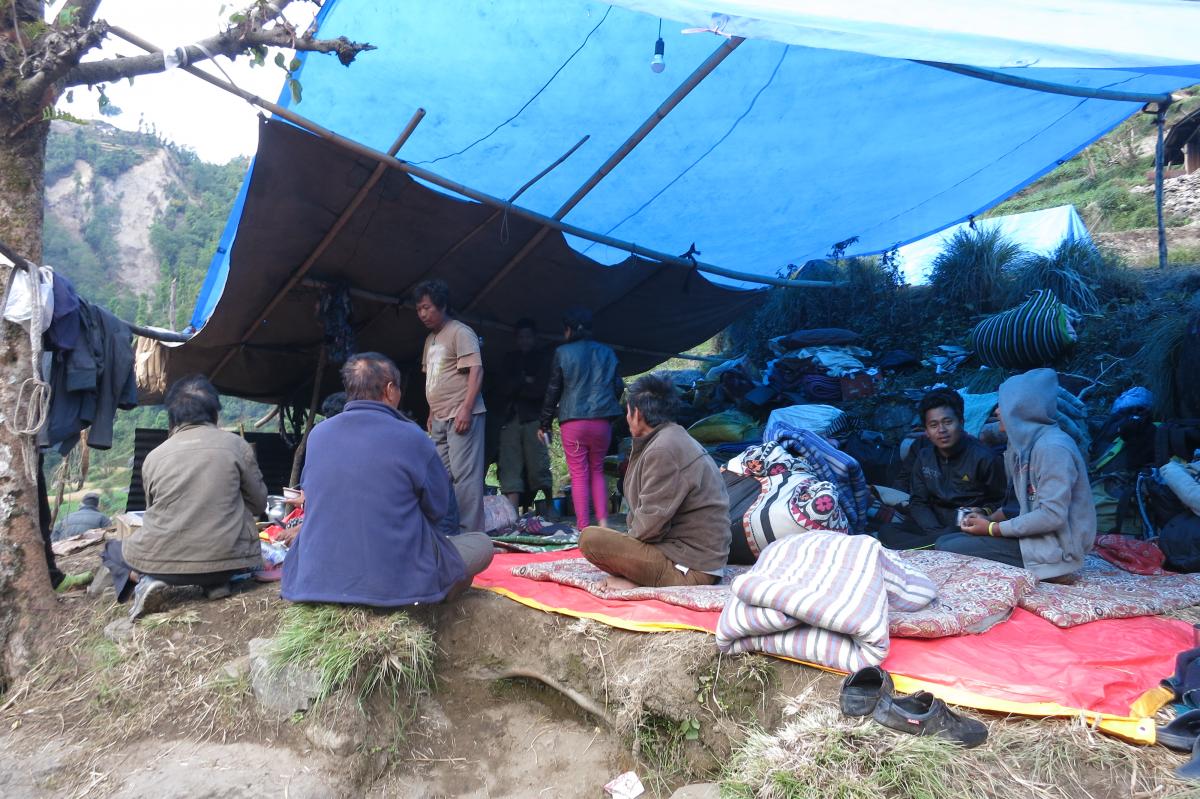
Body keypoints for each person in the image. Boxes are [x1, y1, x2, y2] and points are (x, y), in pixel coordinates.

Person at [282, 352, 493, 606]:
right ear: (390, 390)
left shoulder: (318, 435)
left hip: (314, 584)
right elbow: (437, 510)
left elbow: (311, 497)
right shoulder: (411, 435)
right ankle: (436, 601)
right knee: (482, 544)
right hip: (394, 582)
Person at [99, 375, 268, 620]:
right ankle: (215, 584)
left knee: (111, 550)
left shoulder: (154, 457)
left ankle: (144, 579)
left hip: (165, 567)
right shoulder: (236, 446)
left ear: (172, 418)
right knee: (218, 556)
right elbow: (259, 504)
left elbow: (154, 512)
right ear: (215, 414)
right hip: (230, 563)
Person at [578, 374, 731, 589]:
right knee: (612, 539)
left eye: (628, 412)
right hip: (691, 559)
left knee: (591, 539)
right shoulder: (670, 438)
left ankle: (638, 581)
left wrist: (626, 551)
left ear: (636, 413)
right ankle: (637, 577)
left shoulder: (664, 449)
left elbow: (649, 526)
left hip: (689, 569)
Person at [941, 369, 1096, 579]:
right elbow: (1016, 506)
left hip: (1055, 549)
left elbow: (1052, 516)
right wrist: (986, 519)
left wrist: (992, 529)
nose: (996, 411)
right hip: (1031, 538)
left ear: (1021, 409)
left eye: (1003, 405)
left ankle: (1055, 573)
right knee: (946, 541)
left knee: (951, 549)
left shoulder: (1053, 448)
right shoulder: (1022, 446)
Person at [877, 389, 1005, 550]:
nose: (941, 430)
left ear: (961, 422)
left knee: (952, 539)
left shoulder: (985, 458)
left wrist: (984, 511)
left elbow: (1002, 501)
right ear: (927, 432)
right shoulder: (924, 457)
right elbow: (918, 501)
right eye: (934, 425)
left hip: (965, 527)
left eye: (948, 422)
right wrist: (934, 531)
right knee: (886, 531)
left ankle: (930, 547)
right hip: (932, 526)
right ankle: (934, 545)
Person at [539, 308, 624, 529]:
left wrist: (545, 423)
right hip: (601, 423)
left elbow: (553, 390)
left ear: (567, 330)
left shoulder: (563, 352)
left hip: (573, 421)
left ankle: (583, 527)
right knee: (597, 470)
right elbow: (618, 387)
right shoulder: (607, 352)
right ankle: (604, 523)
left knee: (578, 474)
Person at [414, 279, 486, 532]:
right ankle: (447, 527)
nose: (422, 314)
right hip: (441, 416)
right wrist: (432, 412)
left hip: (461, 413)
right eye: (419, 309)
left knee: (465, 477)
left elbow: (476, 371)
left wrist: (466, 408)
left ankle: (471, 533)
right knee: (440, 476)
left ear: (442, 305)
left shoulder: (460, 332)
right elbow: (433, 377)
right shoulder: (430, 340)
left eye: (427, 307)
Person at [498, 319, 553, 513]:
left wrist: (518, 385)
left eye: (528, 336)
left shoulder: (543, 358)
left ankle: (548, 510)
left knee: (539, 465)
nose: (524, 340)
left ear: (535, 338)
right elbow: (503, 388)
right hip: (511, 417)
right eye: (521, 337)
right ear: (516, 339)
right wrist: (524, 381)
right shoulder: (509, 359)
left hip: (535, 419)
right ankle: (512, 517)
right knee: (509, 468)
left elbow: (541, 390)